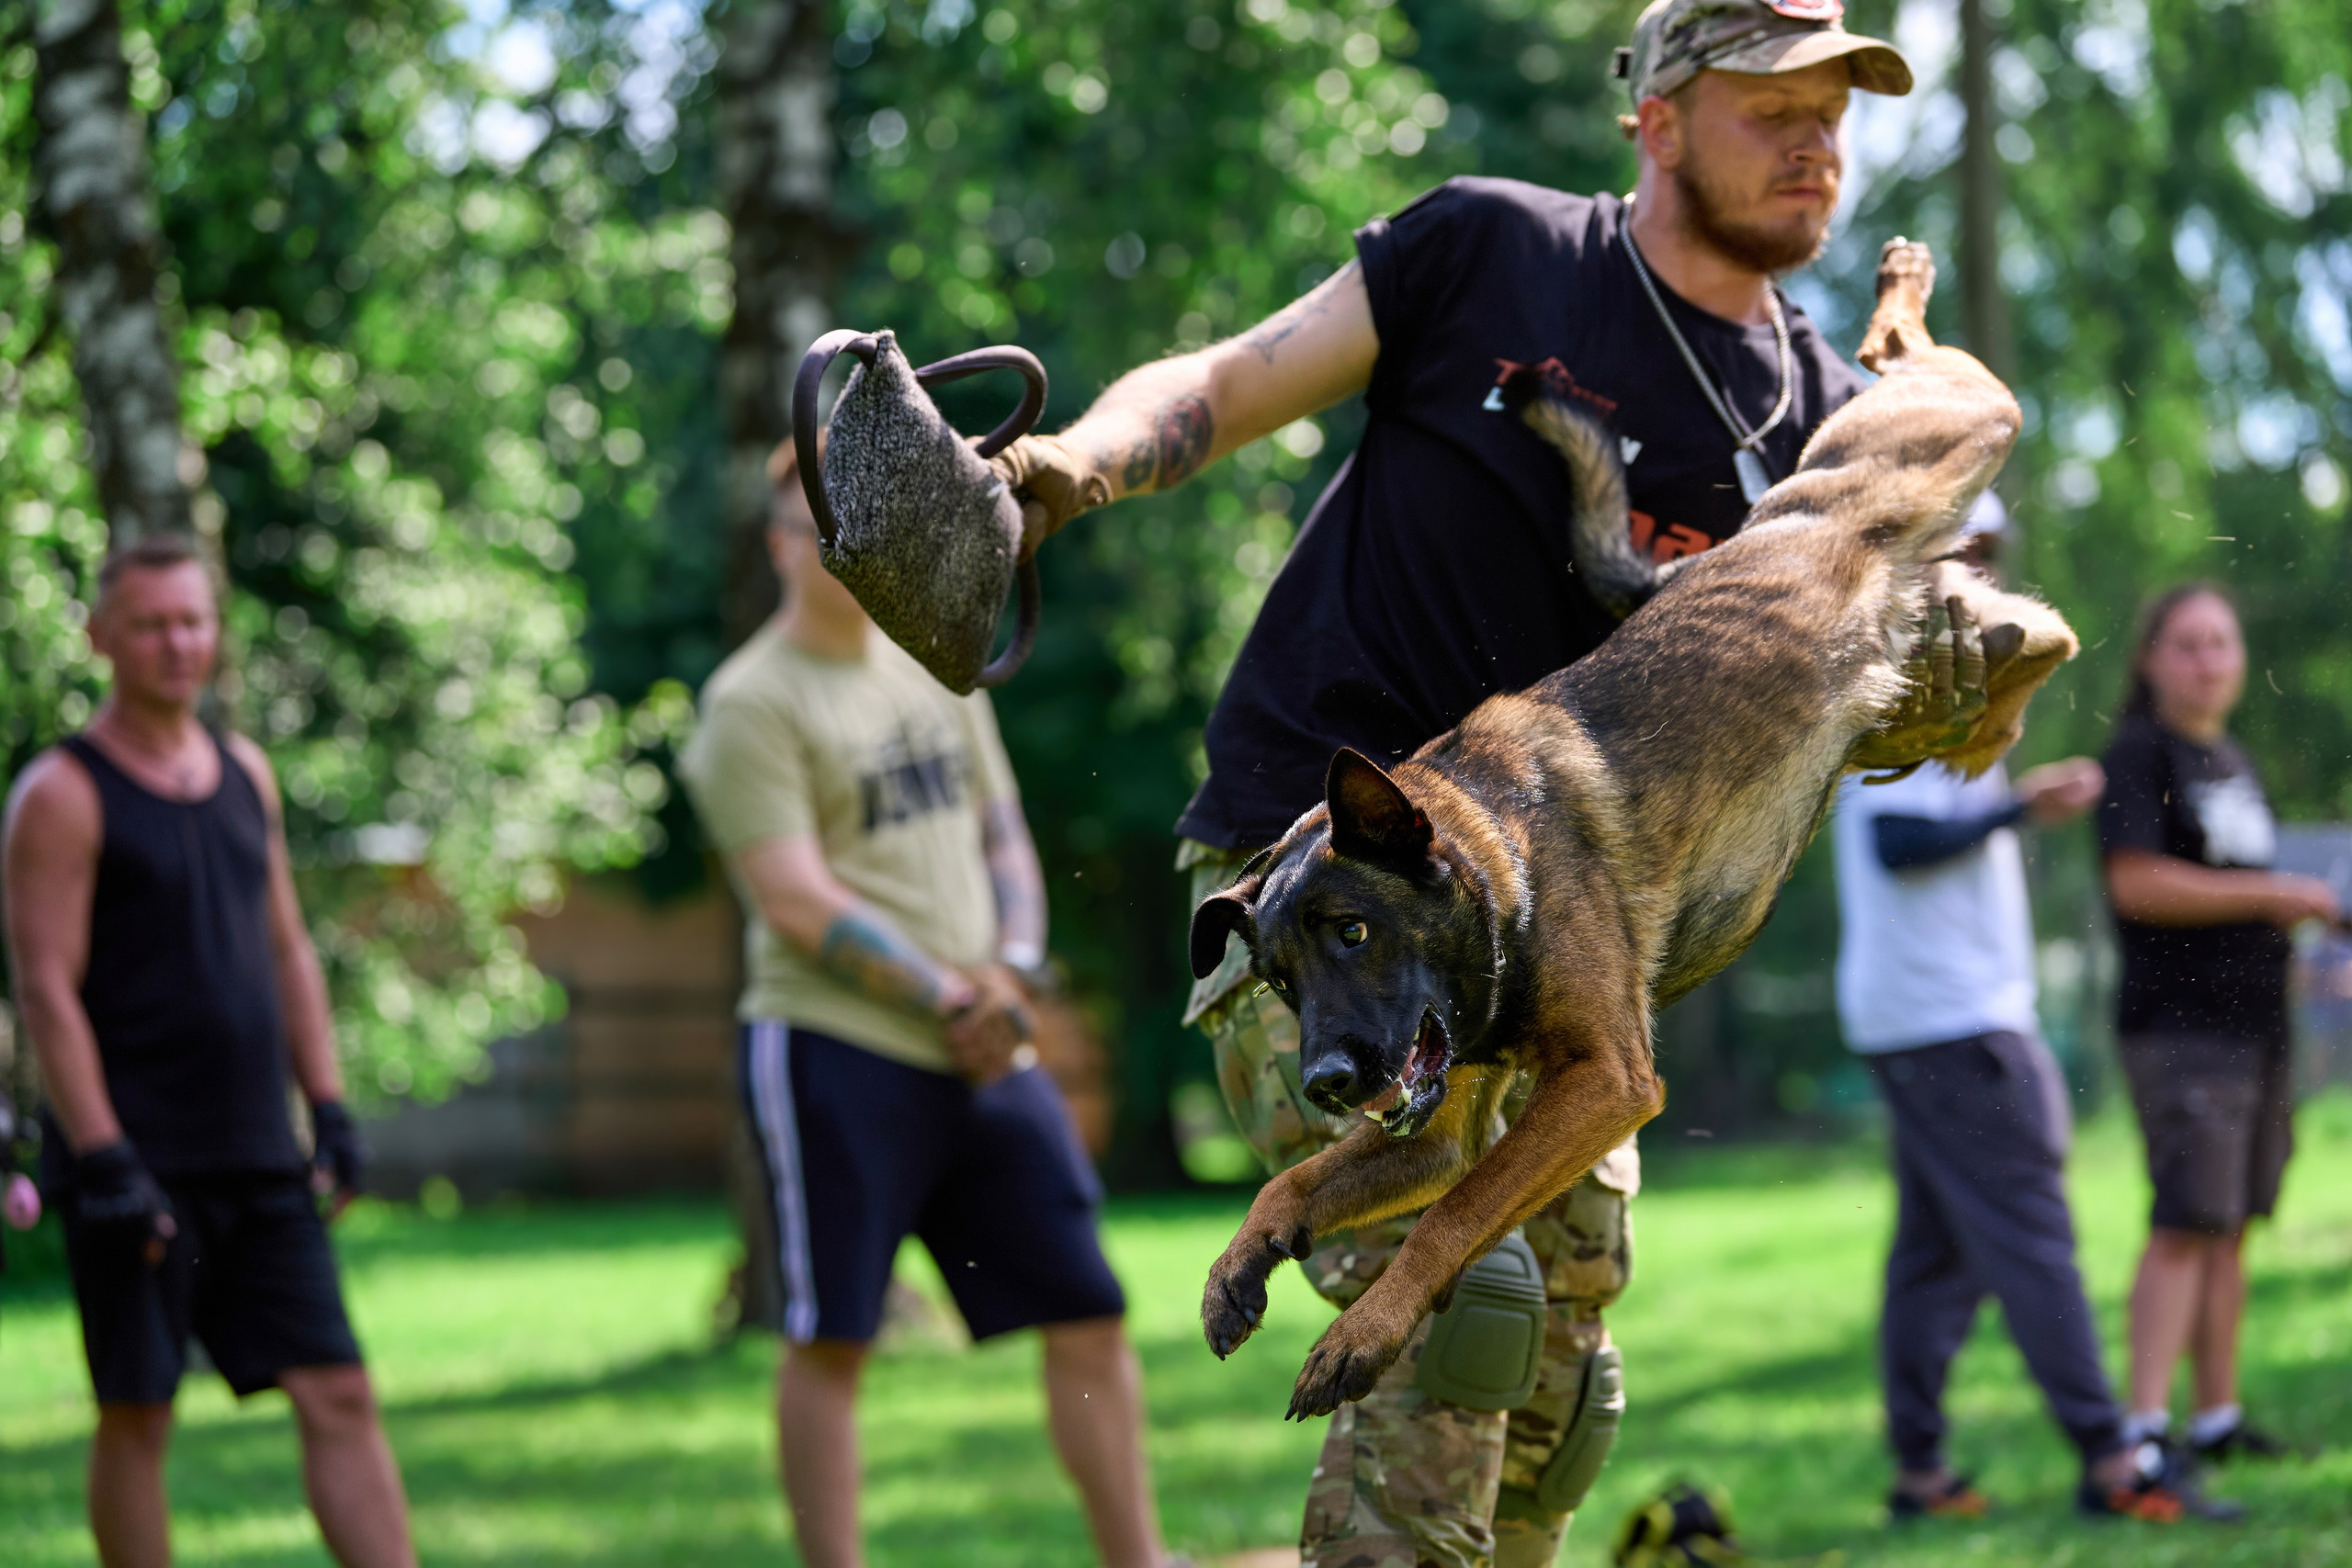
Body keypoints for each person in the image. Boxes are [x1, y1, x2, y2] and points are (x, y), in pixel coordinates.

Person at [984, 3, 1978, 1562]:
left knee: (1558, 1403)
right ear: (1655, 114)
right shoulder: (1496, 251)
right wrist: (1062, 475)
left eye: (1839, 105)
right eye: (1770, 100)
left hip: (1555, 937)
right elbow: (1234, 379)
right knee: (1462, 1320)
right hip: (1314, 886)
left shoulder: (1804, 420)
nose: (1818, 140)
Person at [677, 442, 1177, 1568]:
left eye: (859, 531)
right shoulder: (748, 703)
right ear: (781, 548)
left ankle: (1137, 1559)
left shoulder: (931, 664)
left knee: (1088, 1306)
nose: (845, 555)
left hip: (989, 1042)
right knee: (833, 1338)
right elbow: (795, 900)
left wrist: (1011, 964)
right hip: (837, 1046)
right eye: (818, 534)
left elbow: (1003, 835)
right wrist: (947, 992)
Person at [1, 535, 413, 1568]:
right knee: (140, 1412)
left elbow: (285, 948)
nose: (175, 642)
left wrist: (330, 1106)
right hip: (136, 1163)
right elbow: (45, 988)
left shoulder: (244, 775)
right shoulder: (61, 793)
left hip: (257, 1153)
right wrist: (102, 1159)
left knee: (339, 1388)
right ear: (101, 635)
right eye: (148, 623)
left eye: (191, 620)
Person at [1831, 496, 2219, 1523]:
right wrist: (2019, 806)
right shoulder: (1899, 678)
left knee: (1935, 1253)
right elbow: (1893, 843)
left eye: (1993, 555)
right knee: (2032, 1229)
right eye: (1964, 552)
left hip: (1923, 1012)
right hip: (1946, 1016)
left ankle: (1919, 1473)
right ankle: (2110, 1460)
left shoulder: (1952, 679)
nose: (1980, 573)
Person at [2097, 583, 2335, 1466]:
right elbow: (2137, 884)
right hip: (2181, 1031)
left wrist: (2304, 935)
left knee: (2233, 1222)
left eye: (2221, 644)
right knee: (2187, 1219)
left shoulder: (2232, 760)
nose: (2207, 660)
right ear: (2152, 660)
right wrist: (2274, 892)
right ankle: (2146, 1429)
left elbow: (2238, 900)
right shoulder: (2138, 756)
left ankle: (2216, 1419)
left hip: (2259, 1028)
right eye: (2188, 644)